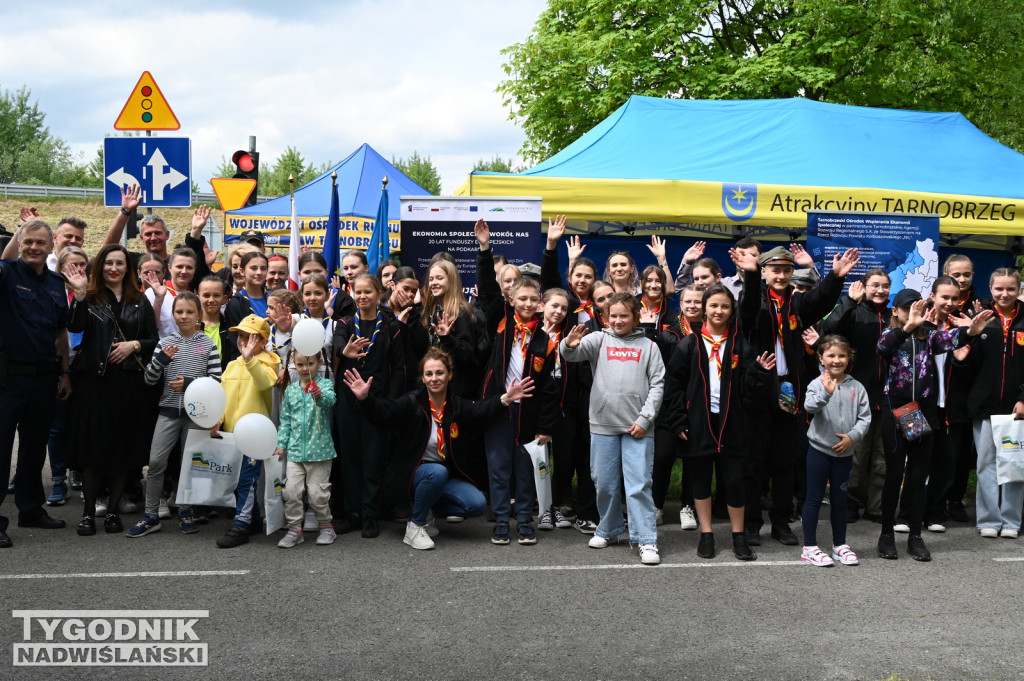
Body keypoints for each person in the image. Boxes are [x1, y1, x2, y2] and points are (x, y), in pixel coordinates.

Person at [732, 244, 859, 546]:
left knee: (785, 461)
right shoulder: (755, 299)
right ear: (764, 272)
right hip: (759, 388)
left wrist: (835, 278)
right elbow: (748, 310)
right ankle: (752, 524)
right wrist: (750, 277)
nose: (781, 275)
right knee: (753, 461)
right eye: (775, 269)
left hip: (790, 391)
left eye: (786, 270)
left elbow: (820, 300)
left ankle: (781, 521)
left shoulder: (797, 303)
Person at [346, 348, 534, 549]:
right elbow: (384, 414)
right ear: (423, 378)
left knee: (476, 503)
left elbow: (479, 410)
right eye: (429, 374)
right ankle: (415, 526)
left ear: (450, 375)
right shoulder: (412, 403)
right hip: (412, 476)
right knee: (436, 472)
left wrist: (505, 399)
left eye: (439, 373)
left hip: (442, 476)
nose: (434, 378)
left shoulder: (456, 405)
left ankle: (426, 512)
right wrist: (365, 399)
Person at [876, 290, 990, 560]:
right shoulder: (888, 334)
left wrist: (971, 332)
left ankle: (915, 536)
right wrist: (908, 326)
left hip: (921, 412)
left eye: (917, 308)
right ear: (895, 311)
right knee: (893, 476)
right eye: (906, 308)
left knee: (917, 476)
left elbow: (950, 339)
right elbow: (882, 349)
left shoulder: (929, 337)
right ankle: (886, 535)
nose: (912, 312)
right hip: (895, 409)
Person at [663, 284, 773, 561]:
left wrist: (759, 373)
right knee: (700, 480)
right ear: (704, 309)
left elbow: (749, 391)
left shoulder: (739, 343)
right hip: (699, 420)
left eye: (724, 306)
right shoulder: (690, 343)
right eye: (713, 306)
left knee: (735, 481)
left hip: (732, 423)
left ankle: (738, 536)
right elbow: (673, 385)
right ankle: (707, 534)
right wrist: (678, 421)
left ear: (731, 310)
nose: (718, 311)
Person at [561, 293, 666, 565]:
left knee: (638, 485)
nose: (619, 321)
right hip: (603, 425)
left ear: (635, 317)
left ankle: (646, 539)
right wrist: (567, 345)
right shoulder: (598, 339)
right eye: (614, 316)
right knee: (605, 483)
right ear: (606, 317)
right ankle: (608, 529)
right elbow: (571, 353)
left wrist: (645, 420)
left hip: (638, 428)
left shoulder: (649, 347)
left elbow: (657, 385)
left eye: (625, 316)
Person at [64, 244, 158, 537]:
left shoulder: (139, 300)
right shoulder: (89, 298)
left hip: (128, 384)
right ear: (99, 267)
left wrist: (135, 345)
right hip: (95, 382)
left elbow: (153, 339)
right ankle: (88, 513)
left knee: (122, 448)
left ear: (128, 269)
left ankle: (114, 511)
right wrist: (79, 294)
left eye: (119, 263)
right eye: (108, 263)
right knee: (93, 449)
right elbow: (75, 325)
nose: (114, 268)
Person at [475, 218, 559, 546]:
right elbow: (485, 288)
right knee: (499, 468)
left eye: (531, 299)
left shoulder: (545, 340)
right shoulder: (501, 323)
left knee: (525, 470)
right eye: (519, 298)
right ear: (510, 299)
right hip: (499, 408)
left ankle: (525, 519)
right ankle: (500, 520)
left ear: (539, 302)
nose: (525, 303)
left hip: (529, 413)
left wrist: (546, 426)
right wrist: (485, 248)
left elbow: (550, 389)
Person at [0, 220, 72, 547]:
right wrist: (18, 232)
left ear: (51, 246)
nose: (33, 247)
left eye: (40, 243)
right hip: (8, 378)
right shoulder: (8, 272)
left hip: (45, 378)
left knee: (34, 449)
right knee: (1, 452)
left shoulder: (58, 284)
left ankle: (31, 509)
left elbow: (61, 333)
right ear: (20, 241)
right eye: (28, 241)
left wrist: (65, 372)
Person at [128, 292, 222, 538]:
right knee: (156, 462)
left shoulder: (208, 344)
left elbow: (216, 381)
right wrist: (159, 361)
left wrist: (190, 383)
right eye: (179, 312)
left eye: (190, 312)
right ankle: (150, 515)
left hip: (197, 415)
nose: (184, 316)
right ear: (173, 314)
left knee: (190, 465)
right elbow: (149, 380)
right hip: (168, 410)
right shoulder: (164, 342)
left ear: (198, 314)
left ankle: (186, 510)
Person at [333, 273, 406, 538]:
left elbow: (398, 368)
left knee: (374, 458)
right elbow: (339, 343)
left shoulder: (391, 326)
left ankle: (370, 514)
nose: (362, 296)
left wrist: (390, 402)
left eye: (368, 292)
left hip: (377, 400)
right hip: (347, 399)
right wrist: (345, 352)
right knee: (350, 457)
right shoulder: (343, 322)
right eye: (357, 292)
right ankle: (352, 513)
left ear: (378, 294)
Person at [819, 269, 892, 524]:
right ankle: (851, 502)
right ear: (864, 287)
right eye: (874, 285)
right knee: (857, 455)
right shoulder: (855, 312)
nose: (880, 290)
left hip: (888, 398)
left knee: (883, 457)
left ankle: (876, 506)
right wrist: (849, 302)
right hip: (857, 396)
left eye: (884, 286)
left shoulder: (895, 316)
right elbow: (829, 330)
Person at [961, 268, 1024, 539]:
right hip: (983, 404)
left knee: (1013, 464)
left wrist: (1023, 398)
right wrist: (967, 343)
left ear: (1018, 289)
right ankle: (988, 519)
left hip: (1015, 409)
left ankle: (1011, 521)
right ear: (990, 288)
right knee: (986, 462)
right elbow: (967, 365)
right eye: (999, 289)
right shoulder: (981, 318)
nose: (1004, 294)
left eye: (1010, 289)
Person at [800, 335, 871, 567]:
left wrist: (852, 437)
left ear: (849, 358)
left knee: (840, 501)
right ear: (821, 358)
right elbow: (809, 407)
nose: (837, 360)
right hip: (819, 451)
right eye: (831, 355)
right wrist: (826, 393)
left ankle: (840, 545)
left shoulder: (857, 387)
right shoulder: (816, 384)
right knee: (814, 498)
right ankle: (809, 547)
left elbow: (865, 419)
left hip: (845, 455)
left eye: (842, 355)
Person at [215, 314, 282, 548]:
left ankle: (241, 524)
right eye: (241, 336)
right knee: (239, 480)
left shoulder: (269, 362)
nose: (243, 340)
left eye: (250, 337)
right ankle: (252, 518)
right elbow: (222, 395)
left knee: (247, 480)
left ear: (263, 342)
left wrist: (250, 358)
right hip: (232, 433)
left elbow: (265, 383)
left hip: (255, 435)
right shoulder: (233, 364)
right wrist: (217, 420)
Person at [653, 284, 704, 530]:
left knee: (694, 461)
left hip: (698, 407)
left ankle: (688, 507)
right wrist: (673, 414)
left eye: (698, 301)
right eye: (688, 301)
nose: (693, 305)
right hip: (669, 405)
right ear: (680, 304)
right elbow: (661, 375)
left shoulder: (711, 334)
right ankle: (656, 505)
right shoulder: (668, 335)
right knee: (662, 456)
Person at [274, 350, 337, 548]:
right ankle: (295, 529)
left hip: (320, 452)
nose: (304, 369)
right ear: (294, 365)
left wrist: (319, 395)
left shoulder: (324, 384)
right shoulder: (291, 390)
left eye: (309, 364)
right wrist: (281, 445)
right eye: (300, 364)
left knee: (318, 495)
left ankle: (326, 526)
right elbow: (285, 421)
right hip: (294, 452)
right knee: (291, 492)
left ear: (319, 363)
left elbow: (330, 400)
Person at [103, 186, 213, 288]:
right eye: (148, 234)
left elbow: (194, 254)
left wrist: (196, 230)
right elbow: (109, 248)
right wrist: (125, 211)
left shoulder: (179, 263)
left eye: (158, 233)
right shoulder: (133, 261)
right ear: (141, 238)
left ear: (167, 235)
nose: (153, 238)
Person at [142, 247, 199, 337]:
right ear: (170, 267)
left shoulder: (196, 298)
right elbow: (148, 329)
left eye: (189, 267)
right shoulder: (152, 293)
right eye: (179, 266)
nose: (184, 271)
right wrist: (158, 300)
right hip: (162, 349)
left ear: (195, 269)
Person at [224, 251, 269, 334]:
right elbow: (235, 338)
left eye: (263, 268)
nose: (259, 272)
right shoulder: (235, 303)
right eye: (253, 268)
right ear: (242, 271)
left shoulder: (273, 298)